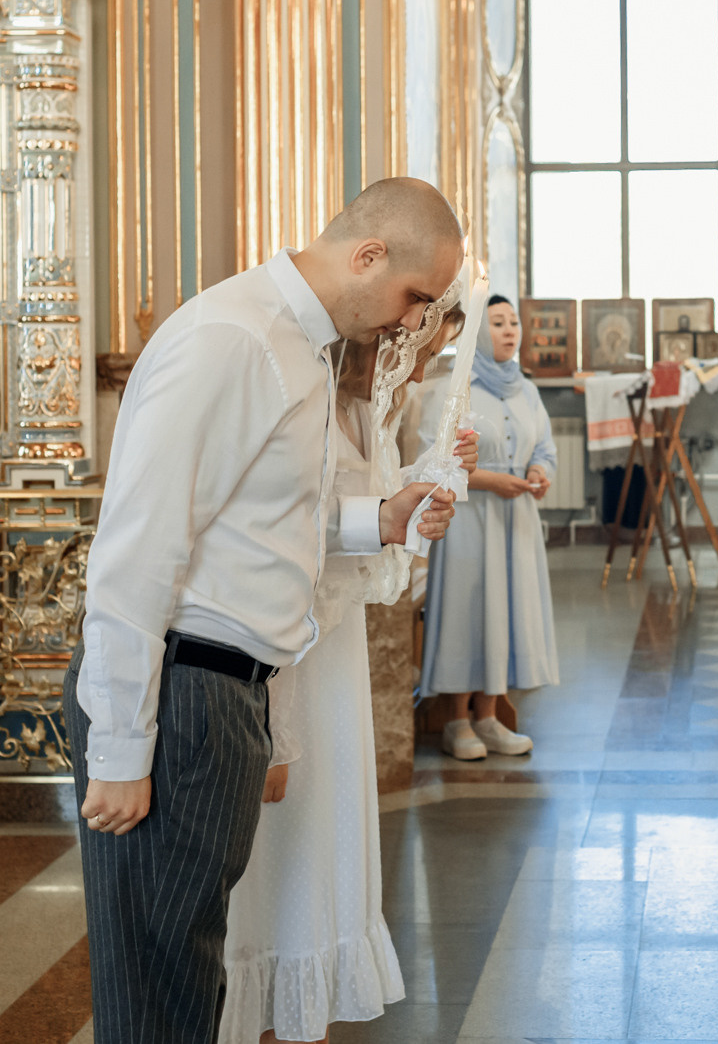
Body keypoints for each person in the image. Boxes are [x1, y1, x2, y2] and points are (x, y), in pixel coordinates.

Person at [68, 177, 465, 1044]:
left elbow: (271, 524)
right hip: (183, 693)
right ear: (368, 255)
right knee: (156, 991)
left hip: (230, 695)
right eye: (415, 297)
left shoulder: (301, 346)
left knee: (186, 981)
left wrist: (380, 518)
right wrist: (122, 746)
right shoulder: (231, 337)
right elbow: (137, 550)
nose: (414, 323)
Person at [221, 305, 477, 1044]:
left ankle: (302, 1023)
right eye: (419, 355)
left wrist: (432, 481)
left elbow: (372, 531)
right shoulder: (308, 405)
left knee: (321, 862)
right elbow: (284, 553)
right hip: (288, 660)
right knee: (276, 869)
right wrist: (275, 730)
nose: (420, 374)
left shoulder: (371, 411)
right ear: (387, 345)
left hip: (336, 658)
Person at [420, 295, 560, 760]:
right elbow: (431, 459)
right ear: (479, 331)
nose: (510, 330)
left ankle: (488, 716)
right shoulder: (453, 388)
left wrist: (538, 472)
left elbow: (544, 447)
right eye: (498, 322)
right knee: (468, 611)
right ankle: (456, 721)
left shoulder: (526, 389)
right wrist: (490, 480)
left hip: (516, 518)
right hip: (468, 517)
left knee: (506, 613)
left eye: (514, 322)